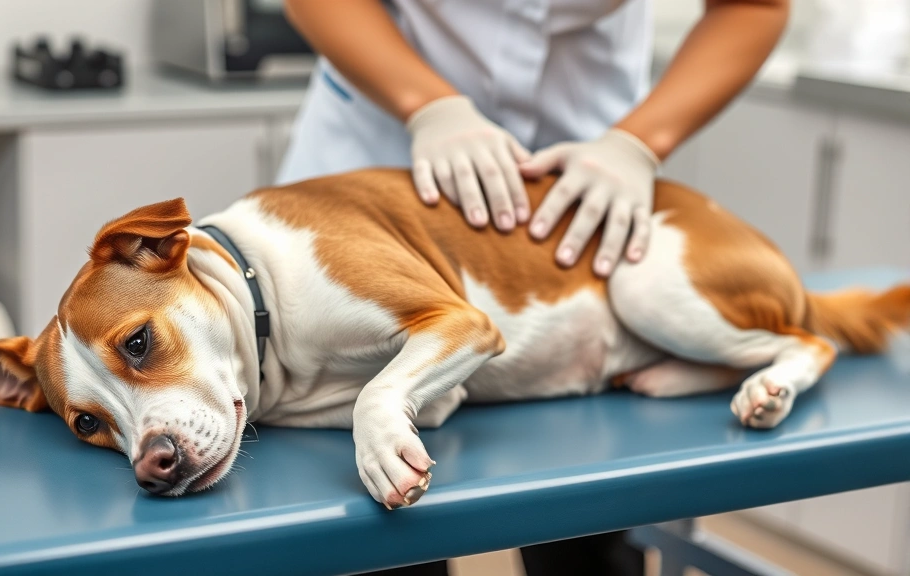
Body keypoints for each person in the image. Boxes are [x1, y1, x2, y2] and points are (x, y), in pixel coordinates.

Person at [277, 0, 788, 573]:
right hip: (381, 161)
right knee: (383, 535)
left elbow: (753, 5)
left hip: (579, 192)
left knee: (588, 536)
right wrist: (427, 104)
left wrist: (639, 142)